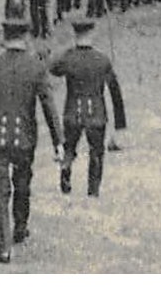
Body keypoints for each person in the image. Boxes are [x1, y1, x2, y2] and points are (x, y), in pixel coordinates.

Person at [0, 19, 63, 265]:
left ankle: (2, 248)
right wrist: (58, 140)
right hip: (24, 137)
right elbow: (49, 106)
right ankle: (20, 227)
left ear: (5, 37)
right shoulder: (37, 67)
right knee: (23, 183)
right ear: (26, 37)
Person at [49, 18, 127, 197]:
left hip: (72, 111)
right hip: (96, 112)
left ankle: (66, 174)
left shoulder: (68, 58)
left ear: (75, 34)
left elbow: (53, 68)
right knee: (96, 152)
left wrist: (67, 49)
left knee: (69, 148)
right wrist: (120, 125)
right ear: (92, 34)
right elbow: (115, 92)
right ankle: (93, 191)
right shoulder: (102, 60)